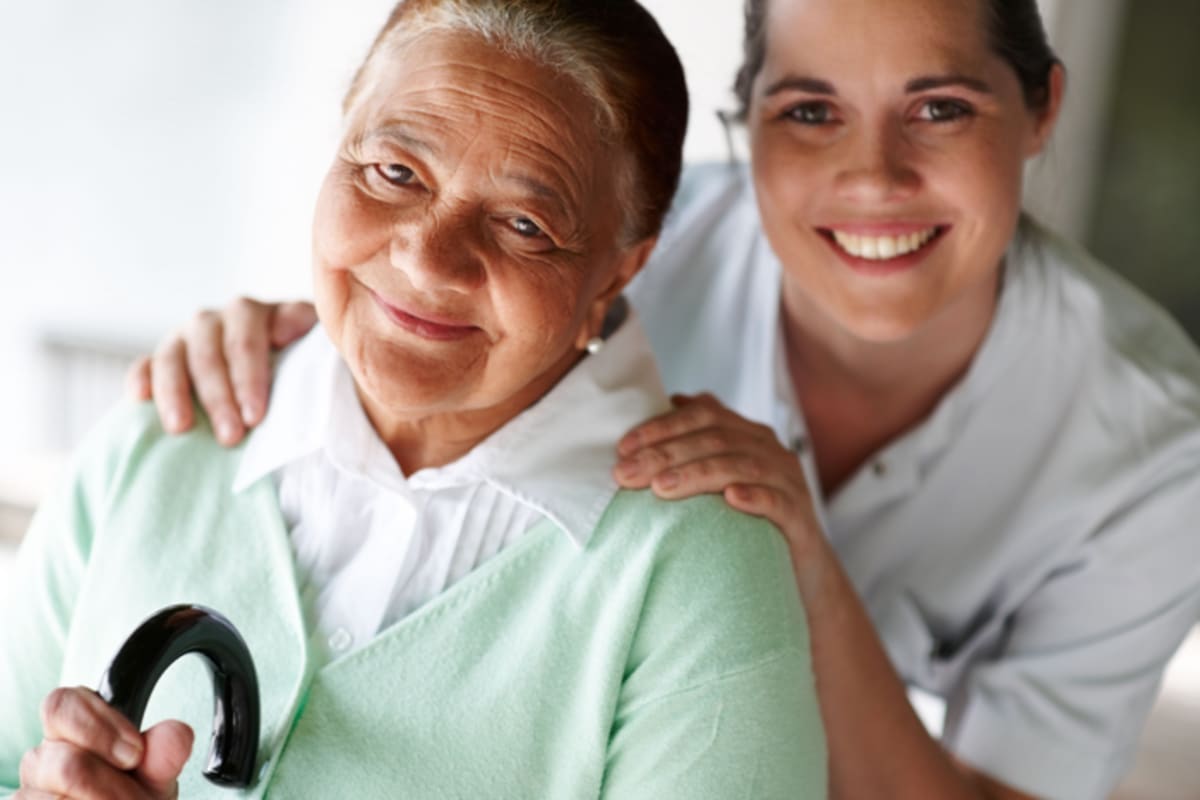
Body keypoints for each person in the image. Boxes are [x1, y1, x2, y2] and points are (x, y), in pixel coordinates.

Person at [138, 0, 1200, 797]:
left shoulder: (1152, 448)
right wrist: (294, 340)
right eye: (810, 110)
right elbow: (425, 259)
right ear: (749, 126)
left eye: (940, 107)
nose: (873, 176)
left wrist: (806, 568)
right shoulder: (606, 232)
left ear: (1040, 110)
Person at [0, 2, 830, 798]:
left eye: (523, 225)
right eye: (395, 172)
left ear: (619, 270)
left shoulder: (693, 568)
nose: (430, 261)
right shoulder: (164, 433)